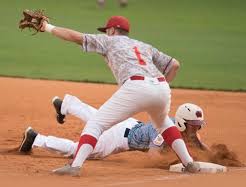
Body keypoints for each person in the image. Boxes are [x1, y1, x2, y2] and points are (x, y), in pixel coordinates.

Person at [33, 15, 199, 176]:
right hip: (161, 87)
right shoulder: (143, 45)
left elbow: (74, 36)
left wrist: (47, 27)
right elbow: (174, 64)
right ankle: (189, 163)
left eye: (107, 30)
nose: (106, 33)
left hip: (136, 86)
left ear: (112, 30)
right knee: (163, 124)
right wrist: (157, 88)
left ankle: (74, 166)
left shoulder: (109, 41)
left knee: (96, 124)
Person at [19, 95, 208, 161]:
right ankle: (36, 139)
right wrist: (176, 162)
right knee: (82, 151)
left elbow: (201, 146)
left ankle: (65, 105)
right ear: (183, 122)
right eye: (194, 126)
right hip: (118, 138)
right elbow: (153, 155)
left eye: (197, 126)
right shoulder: (164, 130)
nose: (196, 130)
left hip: (128, 123)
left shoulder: (182, 129)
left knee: (97, 117)